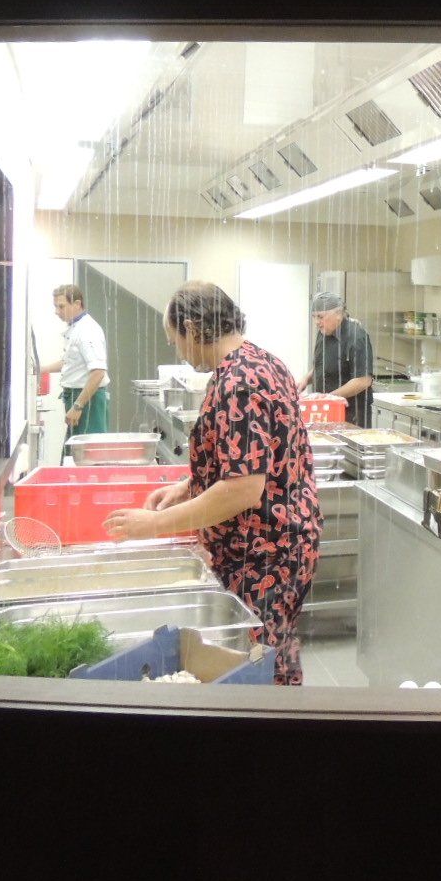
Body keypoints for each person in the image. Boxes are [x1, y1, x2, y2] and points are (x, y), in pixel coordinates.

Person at [102, 281, 321, 685]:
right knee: (276, 649)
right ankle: (286, 708)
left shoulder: (238, 382)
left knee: (255, 663)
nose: (179, 353)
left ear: (191, 327)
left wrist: (154, 524)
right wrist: (189, 487)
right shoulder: (263, 361)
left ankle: (268, 715)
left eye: (175, 341)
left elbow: (243, 488)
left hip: (264, 552)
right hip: (285, 542)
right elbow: (253, 457)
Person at [40, 284, 109, 450]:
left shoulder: (88, 331)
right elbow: (69, 362)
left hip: (88, 400)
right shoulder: (75, 327)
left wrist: (78, 406)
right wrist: (41, 369)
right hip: (77, 397)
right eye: (55, 307)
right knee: (75, 450)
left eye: (61, 306)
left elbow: (98, 372)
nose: (57, 311)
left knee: (88, 451)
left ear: (77, 304)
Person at [298, 290, 375, 428]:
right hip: (325, 411)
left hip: (351, 415)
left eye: (321, 317)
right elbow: (323, 365)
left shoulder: (356, 337)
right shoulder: (323, 333)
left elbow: (363, 380)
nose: (317, 322)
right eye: (314, 317)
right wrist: (305, 379)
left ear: (338, 314)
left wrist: (329, 398)